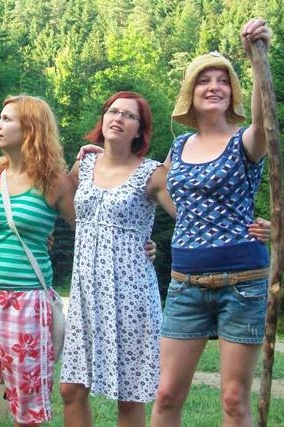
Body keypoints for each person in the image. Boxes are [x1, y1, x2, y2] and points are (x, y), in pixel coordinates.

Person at [150, 18, 271, 427]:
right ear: (191, 92)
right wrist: (103, 154)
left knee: (234, 401)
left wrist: (256, 59)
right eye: (204, 81)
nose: (214, 87)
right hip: (185, 283)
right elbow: (153, 184)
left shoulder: (245, 139)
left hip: (243, 282)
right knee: (166, 394)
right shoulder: (180, 145)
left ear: (233, 92)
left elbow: (265, 123)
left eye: (223, 81)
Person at [0, 95, 75, 426]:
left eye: (7, 119)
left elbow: (88, 229)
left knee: (27, 403)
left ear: (31, 128)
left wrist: (142, 245)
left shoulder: (55, 182)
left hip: (27, 302)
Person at [59, 91, 175, 427]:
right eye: (113, 111)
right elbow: (59, 202)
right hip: (85, 296)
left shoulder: (152, 173)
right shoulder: (84, 165)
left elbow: (188, 216)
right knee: (70, 389)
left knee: (129, 396)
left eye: (129, 115)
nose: (119, 118)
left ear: (140, 130)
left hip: (131, 298)